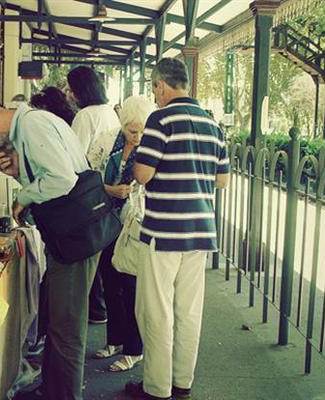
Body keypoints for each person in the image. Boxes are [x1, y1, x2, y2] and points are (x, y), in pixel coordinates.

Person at [0, 103, 100, 400]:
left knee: (67, 327)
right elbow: (48, 177)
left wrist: (21, 198)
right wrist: (17, 172)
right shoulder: (30, 125)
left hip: (75, 237)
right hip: (70, 234)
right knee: (56, 320)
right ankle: (52, 388)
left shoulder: (32, 126)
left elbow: (61, 180)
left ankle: (64, 395)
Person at [125, 58, 230, 400]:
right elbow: (222, 181)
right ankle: (182, 382)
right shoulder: (212, 125)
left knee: (156, 311)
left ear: (161, 85)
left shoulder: (161, 119)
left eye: (154, 89)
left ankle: (156, 387)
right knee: (188, 311)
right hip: (200, 230)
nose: (154, 96)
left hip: (164, 230)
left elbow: (142, 175)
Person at [87, 95, 154, 373]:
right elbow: (88, 176)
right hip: (106, 219)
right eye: (132, 130)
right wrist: (109, 189)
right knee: (109, 283)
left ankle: (134, 349)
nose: (137, 136)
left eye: (142, 130)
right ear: (122, 124)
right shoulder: (105, 141)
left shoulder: (153, 144)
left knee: (131, 287)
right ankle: (114, 340)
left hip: (134, 224)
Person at [67, 66, 121, 324]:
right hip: (110, 189)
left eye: (71, 88)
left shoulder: (85, 116)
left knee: (91, 251)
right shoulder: (110, 112)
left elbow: (75, 157)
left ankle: (96, 308)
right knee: (106, 251)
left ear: (80, 90)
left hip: (89, 189)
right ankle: (104, 309)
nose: (68, 94)